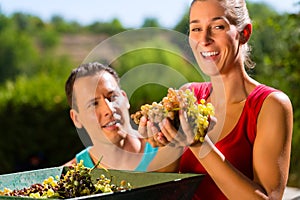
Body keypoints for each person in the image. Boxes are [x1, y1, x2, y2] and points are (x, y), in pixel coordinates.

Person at [138, 0, 293, 199]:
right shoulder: (188, 97)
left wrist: (199, 144)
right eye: (196, 28)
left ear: (244, 33)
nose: (204, 39)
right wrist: (172, 140)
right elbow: (154, 191)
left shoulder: (270, 105)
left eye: (218, 27)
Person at [64, 62, 157, 171]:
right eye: (93, 104)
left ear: (125, 98)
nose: (109, 109)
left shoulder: (168, 152)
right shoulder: (67, 179)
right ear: (76, 118)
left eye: (113, 97)